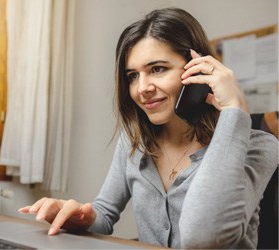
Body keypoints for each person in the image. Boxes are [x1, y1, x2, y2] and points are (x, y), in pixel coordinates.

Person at [18, 8, 278, 249]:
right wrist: (81, 216)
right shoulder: (134, 142)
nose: (142, 88)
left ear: (199, 69)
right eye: (133, 75)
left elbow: (202, 236)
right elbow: (105, 214)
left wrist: (233, 107)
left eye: (157, 69)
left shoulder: (259, 146)